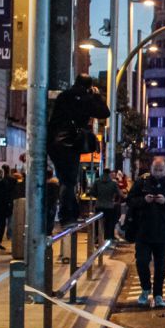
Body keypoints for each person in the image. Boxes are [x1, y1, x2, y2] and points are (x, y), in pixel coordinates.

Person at [48, 74, 109, 226]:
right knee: (68, 181)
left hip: (53, 141)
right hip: (70, 143)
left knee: (64, 179)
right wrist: (96, 96)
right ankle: (67, 216)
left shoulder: (64, 96)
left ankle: (67, 214)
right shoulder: (86, 98)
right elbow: (104, 112)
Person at [126, 157, 165, 307]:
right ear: (151, 168)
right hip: (143, 231)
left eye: (161, 170)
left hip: (163, 232)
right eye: (155, 169)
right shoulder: (141, 182)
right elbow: (130, 200)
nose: (158, 173)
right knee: (142, 261)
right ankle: (145, 288)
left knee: (160, 266)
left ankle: (158, 294)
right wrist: (144, 200)